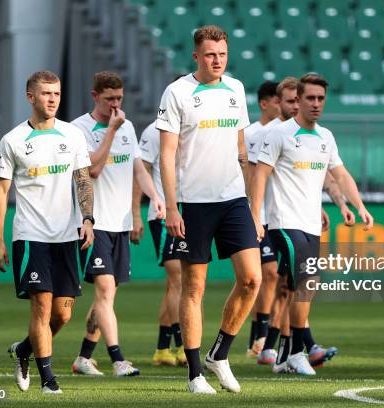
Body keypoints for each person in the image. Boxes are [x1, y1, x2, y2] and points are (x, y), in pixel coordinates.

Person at [157, 25, 262, 394]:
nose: (217, 61)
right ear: (196, 56)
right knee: (194, 287)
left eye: (222, 54)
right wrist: (171, 206)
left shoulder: (235, 89)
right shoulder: (178, 93)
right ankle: (195, 374)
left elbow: (242, 151)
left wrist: (253, 206)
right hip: (193, 203)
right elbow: (166, 155)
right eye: (210, 55)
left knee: (252, 279)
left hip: (233, 199)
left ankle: (221, 354)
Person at [251, 73, 374, 375]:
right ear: (299, 100)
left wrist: (358, 207)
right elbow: (260, 175)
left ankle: (281, 355)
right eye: (310, 98)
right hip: (283, 222)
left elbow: (340, 175)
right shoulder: (279, 134)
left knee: (297, 288)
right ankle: (295, 352)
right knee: (307, 281)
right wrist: (255, 215)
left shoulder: (326, 138)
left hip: (310, 224)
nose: (316, 104)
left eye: (321, 98)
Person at [0, 70, 95, 394]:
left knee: (62, 315)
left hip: (66, 236)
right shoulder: (12, 141)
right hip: (31, 235)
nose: (52, 99)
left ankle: (24, 349)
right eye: (46, 93)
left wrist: (88, 218)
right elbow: (0, 190)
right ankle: (48, 380)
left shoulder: (72, 136)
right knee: (41, 305)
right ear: (30, 97)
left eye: (57, 93)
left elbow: (83, 179)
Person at [69, 71, 164, 377]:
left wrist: (155, 198)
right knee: (106, 289)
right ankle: (118, 359)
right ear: (94, 96)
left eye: (119, 98)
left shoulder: (128, 127)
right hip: (92, 224)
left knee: (107, 296)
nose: (115, 104)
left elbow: (139, 169)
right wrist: (110, 130)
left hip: (120, 223)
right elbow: (93, 170)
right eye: (109, 98)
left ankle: (84, 357)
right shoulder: (78, 130)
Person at [139, 120, 187, 367]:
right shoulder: (154, 131)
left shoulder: (195, 128)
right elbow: (141, 170)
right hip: (163, 216)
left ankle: (161, 349)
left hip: (190, 211)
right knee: (178, 279)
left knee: (175, 285)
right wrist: (136, 213)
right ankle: (182, 346)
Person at [243, 80, 281, 358]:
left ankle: (258, 338)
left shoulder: (285, 133)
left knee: (274, 278)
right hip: (256, 215)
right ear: (265, 103)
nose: (283, 106)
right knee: (262, 276)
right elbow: (248, 172)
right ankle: (260, 337)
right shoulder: (251, 134)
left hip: (279, 213)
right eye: (278, 101)